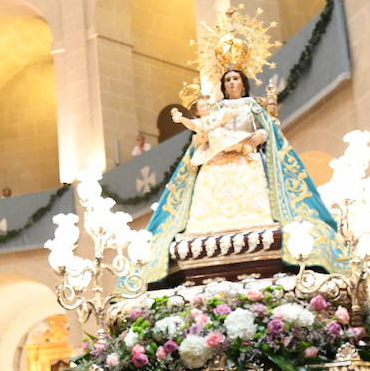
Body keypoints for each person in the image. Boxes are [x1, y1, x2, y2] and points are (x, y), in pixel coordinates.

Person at [144, 68, 337, 281]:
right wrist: (201, 138)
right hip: (216, 162)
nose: (231, 83)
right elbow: (202, 134)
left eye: (235, 79)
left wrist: (262, 134)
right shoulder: (216, 109)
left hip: (247, 160)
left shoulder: (253, 106)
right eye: (227, 80)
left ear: (243, 83)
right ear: (223, 85)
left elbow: (270, 131)